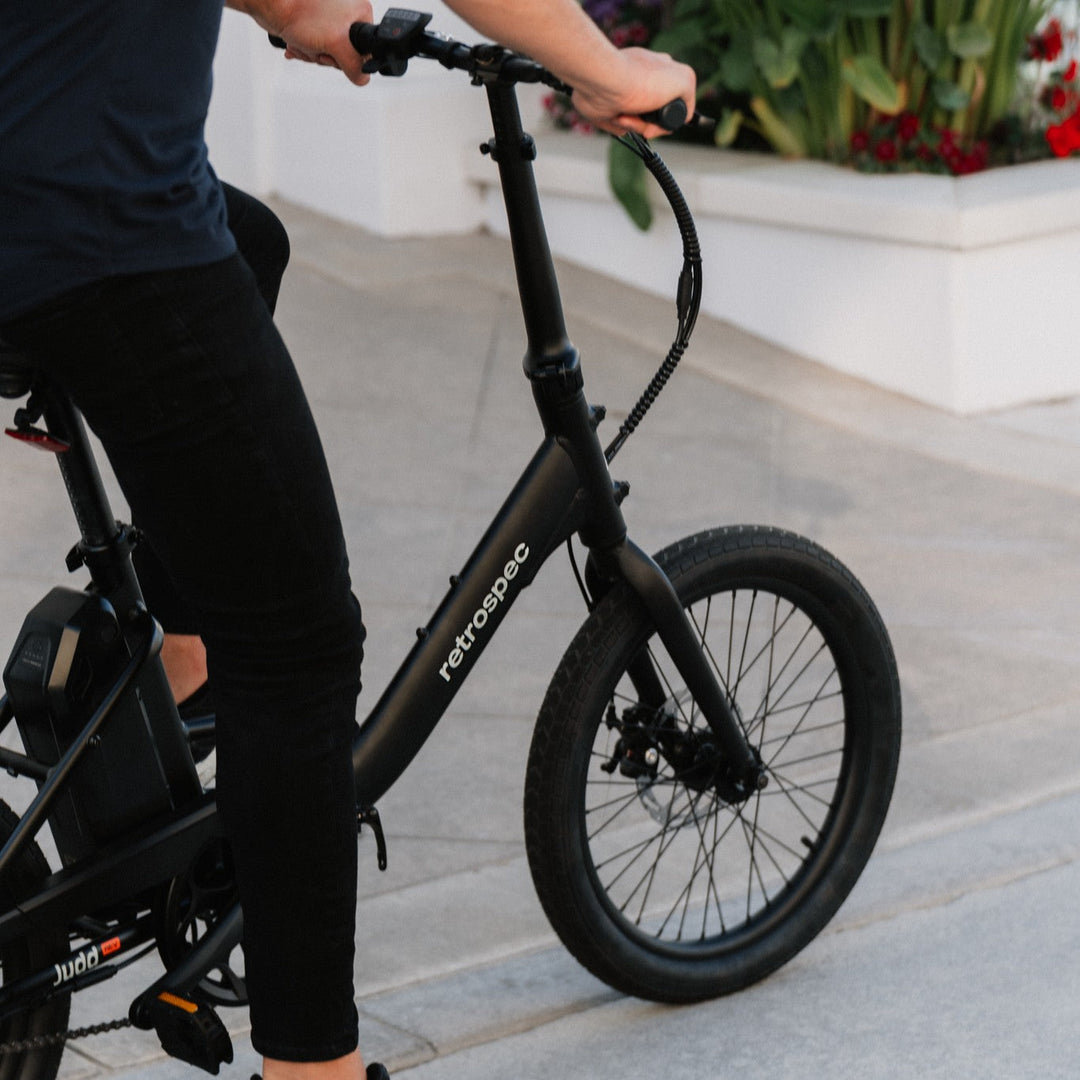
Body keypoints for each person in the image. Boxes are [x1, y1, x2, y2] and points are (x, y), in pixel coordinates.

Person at [0, 2, 694, 1079]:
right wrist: (601, 67)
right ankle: (311, 1068)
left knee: (252, 242)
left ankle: (180, 656)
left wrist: (295, 10)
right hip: (93, 229)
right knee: (296, 648)